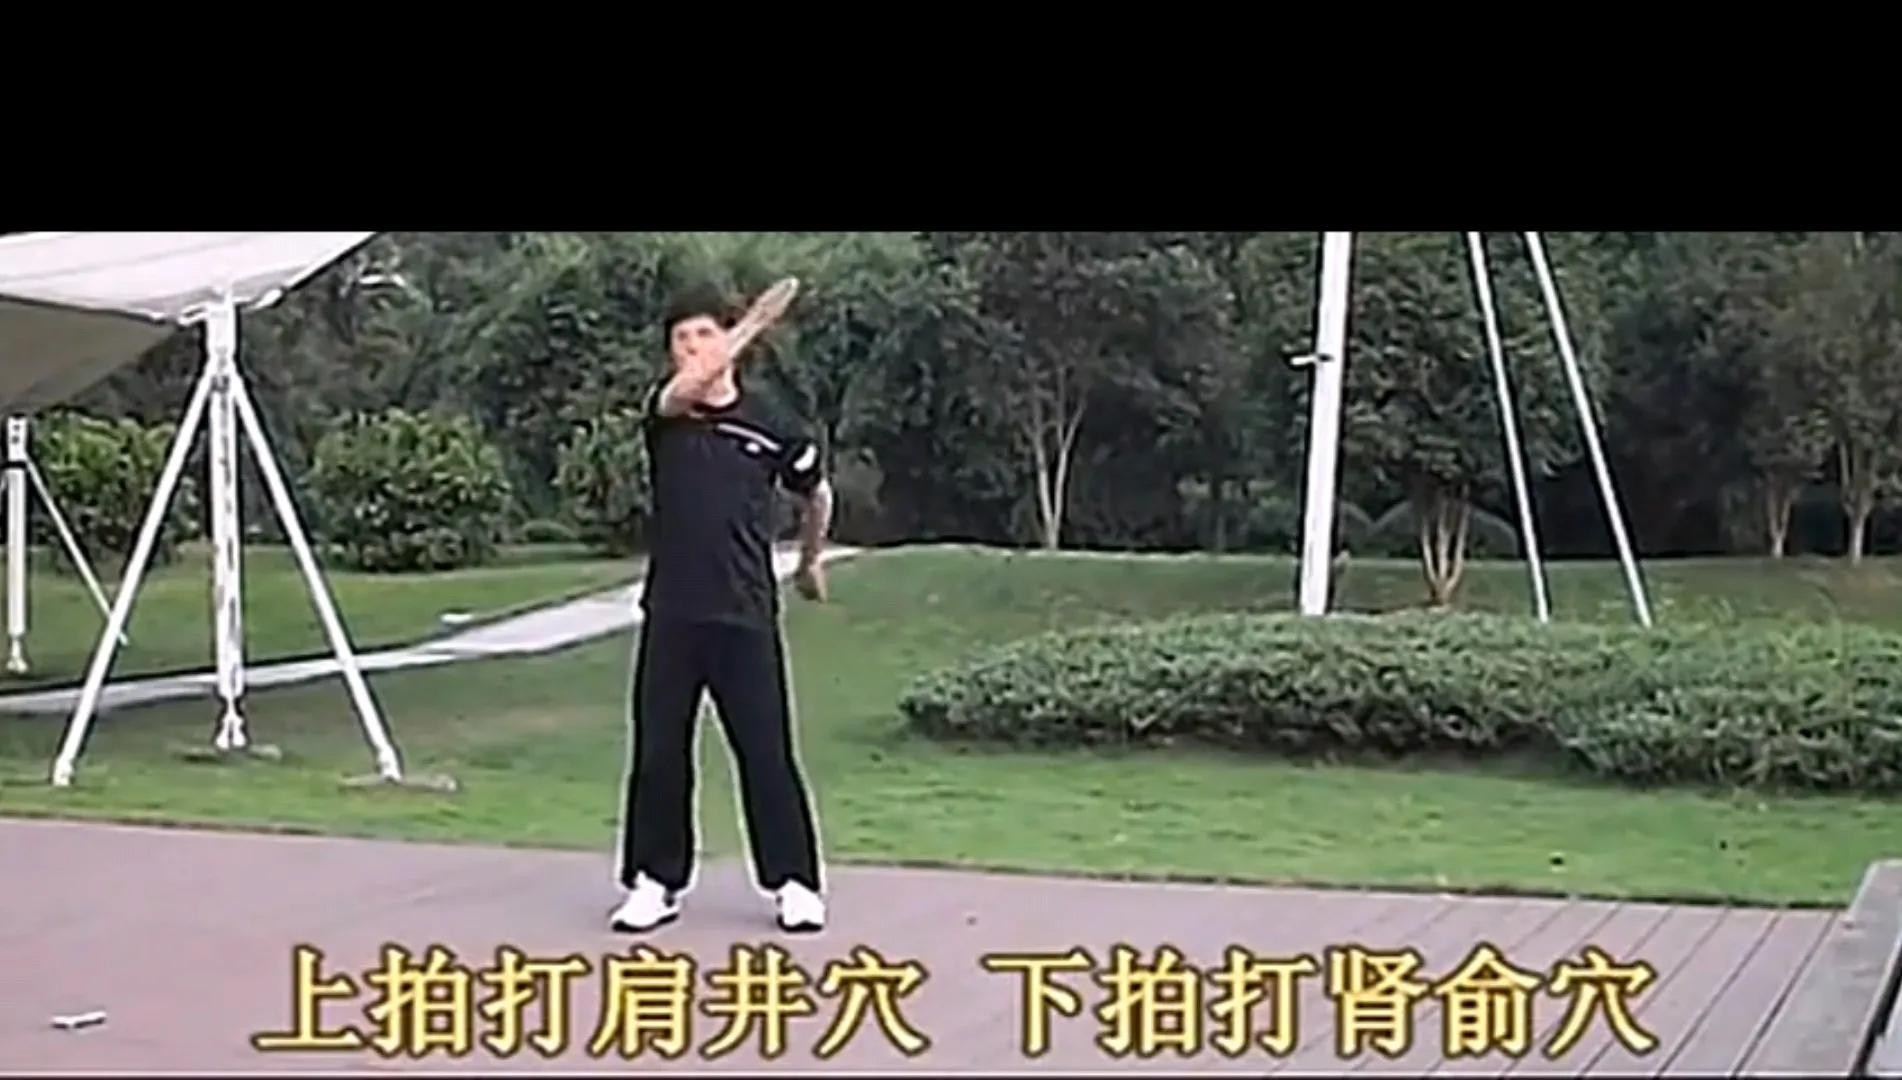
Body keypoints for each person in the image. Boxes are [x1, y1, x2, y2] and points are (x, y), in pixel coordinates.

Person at [611, 279, 833, 935]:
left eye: (704, 334)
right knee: (660, 753)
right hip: (672, 614)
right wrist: (757, 321)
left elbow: (816, 493)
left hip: (745, 615)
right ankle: (655, 882)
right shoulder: (667, 414)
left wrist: (811, 559)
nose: (694, 348)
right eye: (681, 339)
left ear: (724, 341)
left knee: (766, 752)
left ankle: (794, 883)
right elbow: (689, 386)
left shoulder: (770, 423)